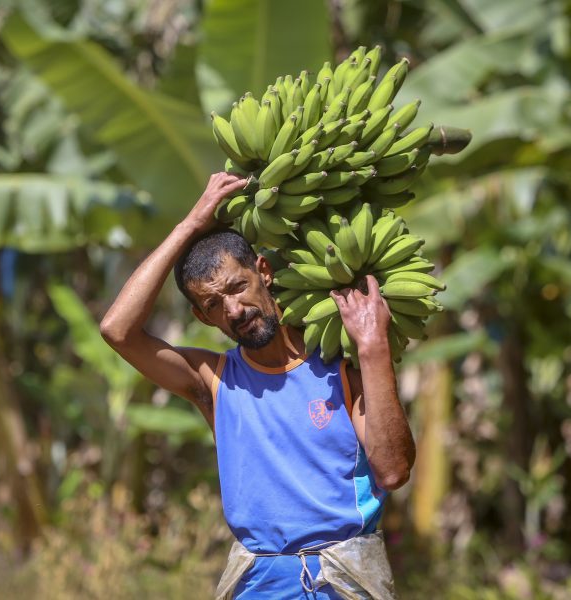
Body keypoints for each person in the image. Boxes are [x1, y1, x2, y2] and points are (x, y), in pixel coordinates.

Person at [100, 172, 416, 599]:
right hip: (260, 582)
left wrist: (374, 347)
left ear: (263, 272)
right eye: (213, 304)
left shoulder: (341, 366)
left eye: (238, 286)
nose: (234, 309)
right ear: (203, 318)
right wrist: (191, 223)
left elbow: (393, 471)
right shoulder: (213, 381)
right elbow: (118, 331)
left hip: (344, 578)